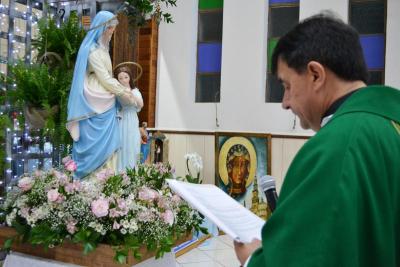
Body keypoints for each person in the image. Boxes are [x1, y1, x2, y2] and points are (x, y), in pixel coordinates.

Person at [235, 13, 400, 267]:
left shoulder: (337, 147)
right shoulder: (389, 123)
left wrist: (252, 261)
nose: (285, 102)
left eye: (287, 85)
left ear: (315, 75)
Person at [66, 11, 133, 179]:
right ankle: (92, 180)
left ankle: (108, 180)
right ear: (103, 28)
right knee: (93, 142)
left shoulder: (103, 50)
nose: (112, 32)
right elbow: (104, 78)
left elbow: (108, 78)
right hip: (95, 97)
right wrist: (123, 91)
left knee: (110, 140)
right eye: (111, 28)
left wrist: (121, 90)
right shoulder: (93, 51)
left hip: (106, 96)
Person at [114, 65, 144, 171]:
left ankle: (132, 172)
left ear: (130, 77)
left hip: (132, 118)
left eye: (125, 77)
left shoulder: (135, 91)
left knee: (133, 143)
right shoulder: (117, 92)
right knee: (122, 143)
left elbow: (141, 104)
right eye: (120, 78)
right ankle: (121, 172)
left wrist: (131, 92)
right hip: (122, 118)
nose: (123, 80)